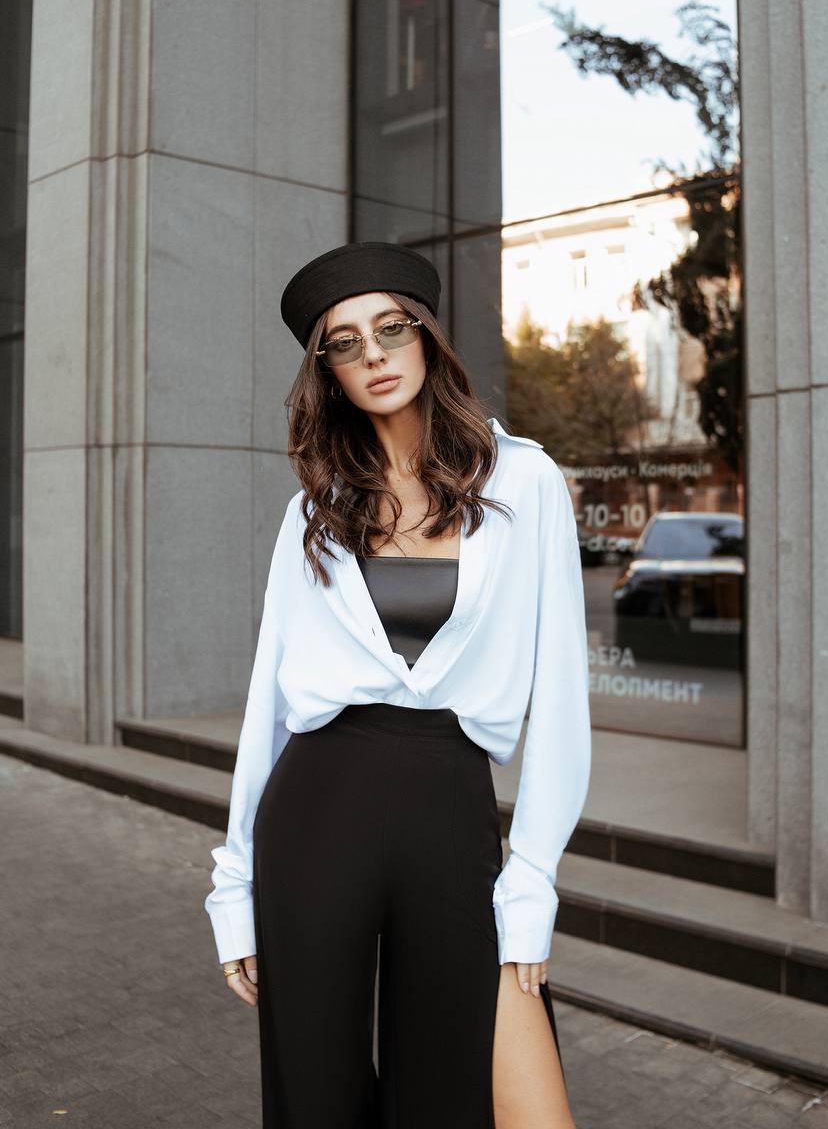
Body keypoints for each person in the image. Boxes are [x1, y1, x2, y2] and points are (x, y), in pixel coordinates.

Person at [203, 241, 591, 1128]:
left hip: (450, 811)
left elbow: (561, 701)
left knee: (488, 1101)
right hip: (316, 810)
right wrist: (235, 885)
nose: (373, 355)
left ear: (426, 338)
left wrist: (532, 879)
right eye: (343, 344)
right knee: (318, 1099)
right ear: (327, 374)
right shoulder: (313, 511)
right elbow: (269, 705)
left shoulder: (524, 479)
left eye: (391, 329)